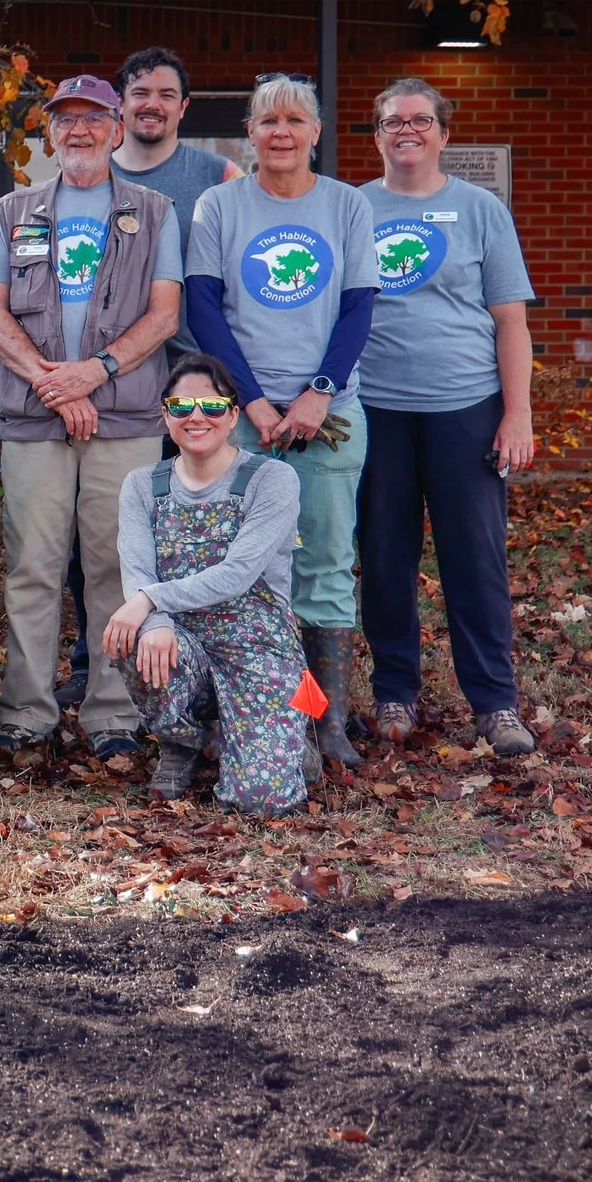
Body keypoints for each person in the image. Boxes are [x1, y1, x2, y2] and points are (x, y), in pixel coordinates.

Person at [0, 75, 183, 768]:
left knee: (115, 569)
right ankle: (26, 711)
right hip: (34, 417)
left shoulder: (154, 211)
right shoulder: (13, 210)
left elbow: (165, 315)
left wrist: (94, 372)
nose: (79, 130)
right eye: (65, 119)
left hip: (125, 419)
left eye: (93, 118)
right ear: (50, 132)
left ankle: (114, 712)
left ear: (117, 128)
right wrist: (56, 386)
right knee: (32, 567)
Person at [185, 73, 378, 776]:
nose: (281, 132)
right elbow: (203, 308)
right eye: (268, 121)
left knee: (324, 564)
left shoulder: (347, 205)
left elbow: (359, 306)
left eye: (295, 120)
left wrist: (318, 393)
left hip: (327, 417)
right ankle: (247, 712)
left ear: (316, 131)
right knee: (232, 568)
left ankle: (326, 720)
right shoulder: (219, 205)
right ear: (251, 133)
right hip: (239, 420)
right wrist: (254, 401)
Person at [356, 78, 538, 754]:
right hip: (375, 408)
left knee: (475, 560)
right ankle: (394, 692)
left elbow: (510, 320)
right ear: (377, 135)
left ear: (444, 133)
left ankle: (495, 704)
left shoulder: (480, 209)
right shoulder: (352, 207)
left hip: (467, 408)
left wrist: (517, 413)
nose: (407, 130)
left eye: (420, 120)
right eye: (393, 121)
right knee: (383, 558)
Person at [107, 355, 310, 814]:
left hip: (257, 645)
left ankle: (280, 734)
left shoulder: (272, 479)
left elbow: (237, 574)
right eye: (181, 406)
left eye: (212, 406)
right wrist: (155, 619)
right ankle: (181, 742)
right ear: (165, 415)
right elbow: (137, 569)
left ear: (234, 415)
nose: (196, 416)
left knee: (262, 801)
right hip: (179, 640)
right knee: (131, 638)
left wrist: (148, 600)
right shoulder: (142, 484)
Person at [110, 48, 241, 363]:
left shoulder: (221, 176)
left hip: (194, 367)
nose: (152, 104)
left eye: (166, 95)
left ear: (183, 107)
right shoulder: (90, 178)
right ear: (120, 103)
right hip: (107, 365)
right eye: (140, 93)